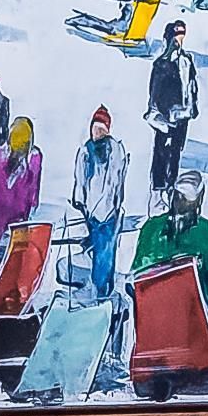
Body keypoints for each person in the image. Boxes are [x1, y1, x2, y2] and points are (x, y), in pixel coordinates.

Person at [68, 104, 131, 302]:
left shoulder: (115, 149)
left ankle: (102, 290)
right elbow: (80, 178)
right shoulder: (85, 151)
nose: (98, 133)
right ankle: (99, 287)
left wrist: (114, 203)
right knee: (99, 246)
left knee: (106, 249)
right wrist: (80, 200)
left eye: (102, 129)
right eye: (95, 129)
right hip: (91, 209)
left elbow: (115, 180)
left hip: (108, 210)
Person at [133, 170, 208, 286]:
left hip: (178, 292)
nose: (179, 203)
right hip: (158, 290)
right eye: (178, 197)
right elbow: (138, 271)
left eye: (184, 199)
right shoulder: (152, 227)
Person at [147, 20, 200, 197]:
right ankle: (159, 185)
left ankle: (171, 184)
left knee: (176, 150)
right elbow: (155, 92)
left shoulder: (186, 60)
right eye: (176, 38)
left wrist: (193, 105)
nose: (178, 42)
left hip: (183, 114)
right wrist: (156, 113)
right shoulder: (161, 64)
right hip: (166, 115)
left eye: (181, 37)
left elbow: (191, 84)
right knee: (162, 150)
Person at [0, 114, 46, 238]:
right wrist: (33, 204)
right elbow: (34, 187)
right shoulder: (34, 157)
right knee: (16, 243)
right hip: (19, 212)